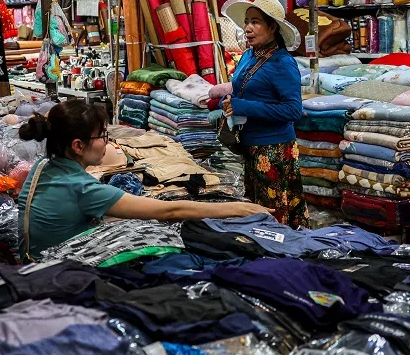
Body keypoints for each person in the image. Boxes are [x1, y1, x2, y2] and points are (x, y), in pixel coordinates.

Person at [17, 100, 270, 260]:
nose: (107, 141)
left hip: (33, 258)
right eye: (102, 135)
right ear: (78, 145)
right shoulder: (83, 188)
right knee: (164, 242)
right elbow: (171, 210)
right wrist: (236, 208)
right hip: (56, 272)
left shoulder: (44, 166)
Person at [220, 0, 306, 228]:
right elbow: (242, 90)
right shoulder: (249, 55)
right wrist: (228, 102)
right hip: (250, 146)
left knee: (273, 214)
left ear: (273, 27)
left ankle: (283, 258)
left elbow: (293, 110)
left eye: (256, 22)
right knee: (253, 209)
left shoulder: (283, 63)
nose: (248, 28)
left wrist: (242, 106)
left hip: (274, 150)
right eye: (247, 21)